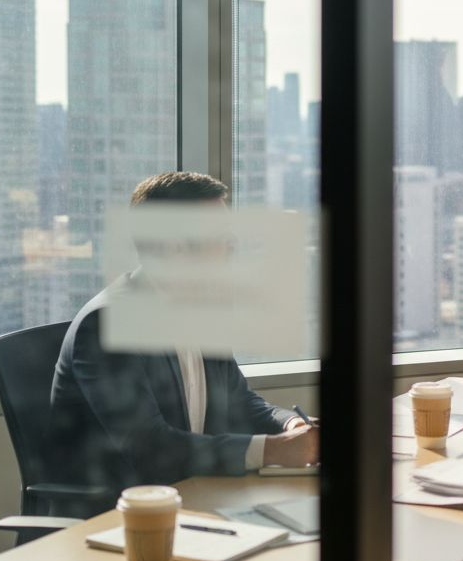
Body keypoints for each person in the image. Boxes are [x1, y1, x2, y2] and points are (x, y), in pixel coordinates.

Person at [49, 172, 317, 512]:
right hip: (120, 520)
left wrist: (289, 425)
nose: (231, 243)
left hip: (193, 495)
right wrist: (274, 450)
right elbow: (152, 449)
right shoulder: (108, 325)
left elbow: (239, 400)